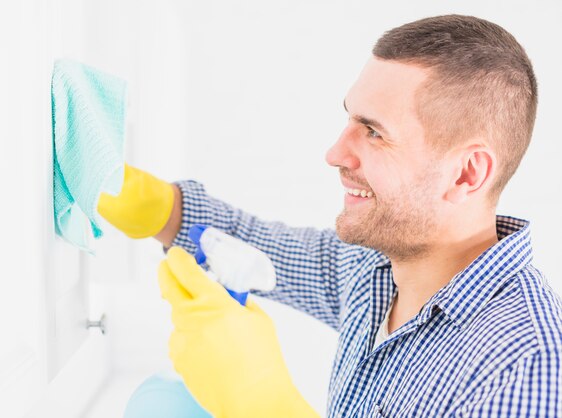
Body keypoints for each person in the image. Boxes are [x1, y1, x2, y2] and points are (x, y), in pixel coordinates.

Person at [98, 14, 562, 418]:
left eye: (374, 133)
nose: (335, 153)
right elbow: (258, 246)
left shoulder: (523, 369)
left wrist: (263, 405)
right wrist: (153, 206)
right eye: (350, 120)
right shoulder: (375, 269)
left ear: (466, 174)